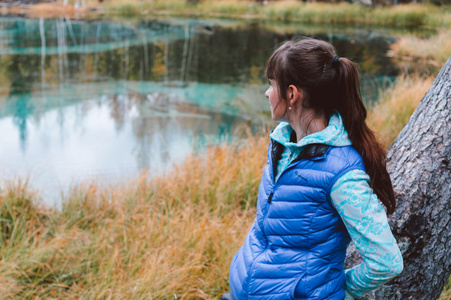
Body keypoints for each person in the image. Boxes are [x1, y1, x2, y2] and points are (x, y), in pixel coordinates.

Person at [226, 39, 403, 300]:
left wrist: (332, 290)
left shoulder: (342, 172)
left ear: (291, 94)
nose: (266, 93)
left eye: (271, 84)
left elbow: (386, 262)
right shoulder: (282, 146)